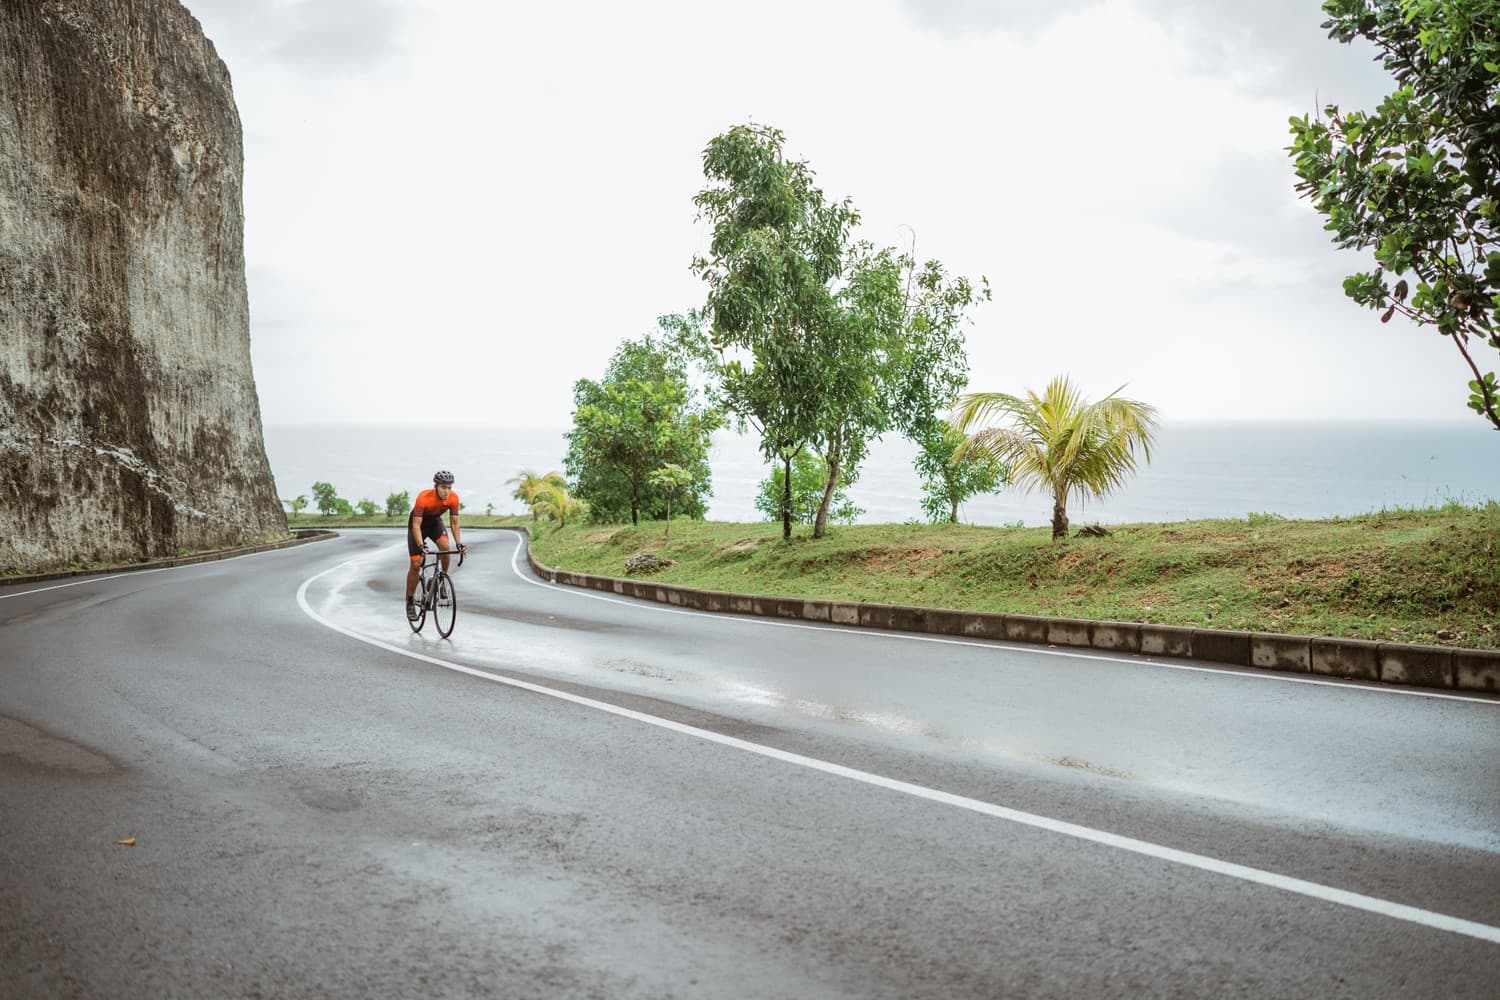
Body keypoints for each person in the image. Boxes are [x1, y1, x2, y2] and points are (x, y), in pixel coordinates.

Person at [406, 470, 467, 619]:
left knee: (446, 548)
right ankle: (409, 601)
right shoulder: (423, 497)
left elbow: (454, 523)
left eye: (449, 488)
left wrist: (459, 543)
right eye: (443, 487)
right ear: (436, 486)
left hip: (434, 523)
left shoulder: (453, 498)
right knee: (416, 564)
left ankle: (439, 581)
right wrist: (421, 545)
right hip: (417, 526)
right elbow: (416, 526)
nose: (447, 491)